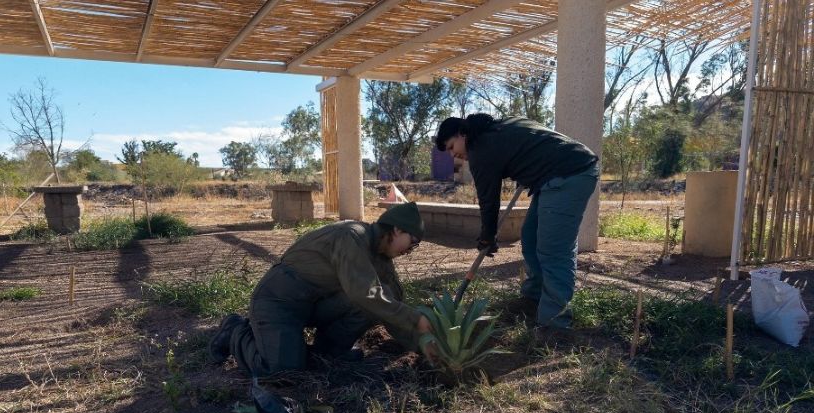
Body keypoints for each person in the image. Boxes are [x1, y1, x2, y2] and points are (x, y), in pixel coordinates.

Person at [208, 202, 434, 376]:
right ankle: (236, 331)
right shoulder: (351, 235)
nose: (410, 251)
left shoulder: (382, 257)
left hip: (314, 304)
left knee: (384, 295)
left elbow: (393, 305)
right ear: (397, 230)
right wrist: (415, 319)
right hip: (279, 302)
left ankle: (329, 351)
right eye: (413, 243)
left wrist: (422, 345)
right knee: (283, 371)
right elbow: (365, 292)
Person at [435, 114, 599, 329]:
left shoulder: (480, 148)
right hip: (550, 176)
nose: (453, 154)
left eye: (451, 146)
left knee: (553, 250)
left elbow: (488, 199)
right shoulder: (498, 129)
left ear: (462, 133)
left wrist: (487, 236)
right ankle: (533, 299)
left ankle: (554, 324)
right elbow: (530, 140)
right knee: (530, 239)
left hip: (570, 173)